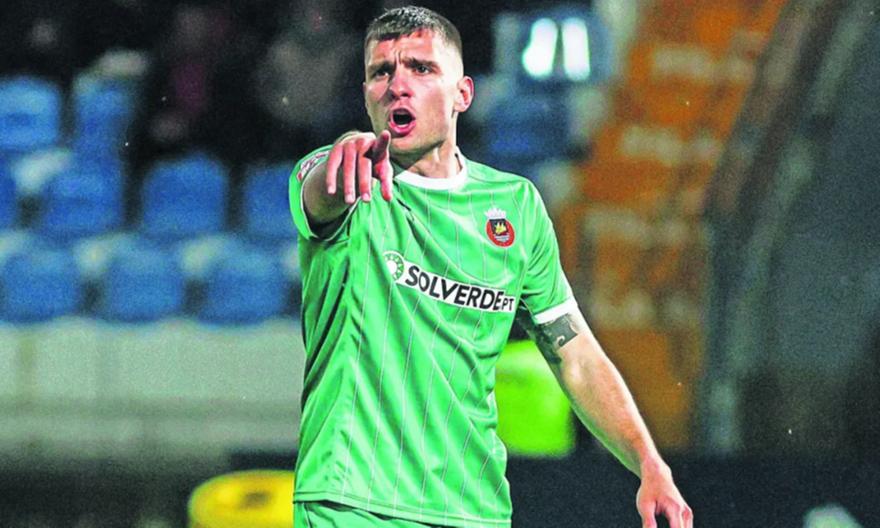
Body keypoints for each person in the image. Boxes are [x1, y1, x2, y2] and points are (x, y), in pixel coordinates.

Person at [288, 6, 692, 528]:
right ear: (366, 92)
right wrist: (338, 160)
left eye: (421, 68)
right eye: (381, 72)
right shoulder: (348, 180)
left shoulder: (516, 205)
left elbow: (575, 354)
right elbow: (319, 192)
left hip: (474, 510)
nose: (398, 86)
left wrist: (648, 463)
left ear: (463, 94)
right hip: (354, 503)